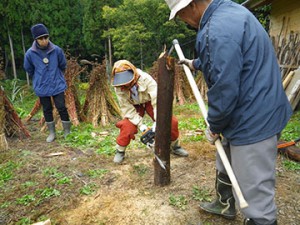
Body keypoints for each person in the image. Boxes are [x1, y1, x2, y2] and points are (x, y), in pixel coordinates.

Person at [164, 1, 292, 225]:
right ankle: (224, 203)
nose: (183, 20)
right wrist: (195, 63)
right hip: (259, 106)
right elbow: (228, 57)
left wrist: (214, 125)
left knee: (255, 191)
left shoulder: (216, 30)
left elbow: (224, 88)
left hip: (253, 120)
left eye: (180, 14)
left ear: (191, 5)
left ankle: (260, 220)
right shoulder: (230, 12)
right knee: (225, 158)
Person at [111, 59, 189, 163]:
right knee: (127, 126)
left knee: (170, 121)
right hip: (134, 106)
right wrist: (141, 125)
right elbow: (126, 108)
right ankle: (120, 151)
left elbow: (157, 100)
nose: (125, 86)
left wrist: (158, 121)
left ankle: (175, 146)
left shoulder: (146, 79)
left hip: (150, 101)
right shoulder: (118, 86)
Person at [24, 23, 71, 143]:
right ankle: (52, 133)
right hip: (42, 85)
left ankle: (67, 131)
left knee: (61, 107)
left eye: (46, 37)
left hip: (57, 84)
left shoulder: (56, 50)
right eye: (41, 38)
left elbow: (63, 65)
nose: (44, 40)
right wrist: (39, 77)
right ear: (36, 39)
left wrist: (56, 75)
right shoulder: (30, 54)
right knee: (47, 109)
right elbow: (29, 69)